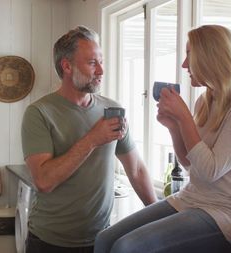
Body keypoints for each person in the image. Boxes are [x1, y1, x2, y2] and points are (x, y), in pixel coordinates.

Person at [94, 25, 231, 253]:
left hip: (228, 210)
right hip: (192, 197)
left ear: (210, 58)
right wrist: (174, 127)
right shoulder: (205, 102)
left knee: (126, 247)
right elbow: (189, 165)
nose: (184, 65)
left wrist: (184, 117)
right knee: (105, 239)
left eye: (189, 55)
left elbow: (210, 170)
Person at [21, 25, 157, 253]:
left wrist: (158, 215)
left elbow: (136, 170)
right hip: (50, 242)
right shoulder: (39, 113)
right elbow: (44, 181)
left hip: (101, 239)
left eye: (101, 61)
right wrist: (92, 139)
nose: (101, 70)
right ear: (67, 66)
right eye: (93, 63)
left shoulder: (112, 109)